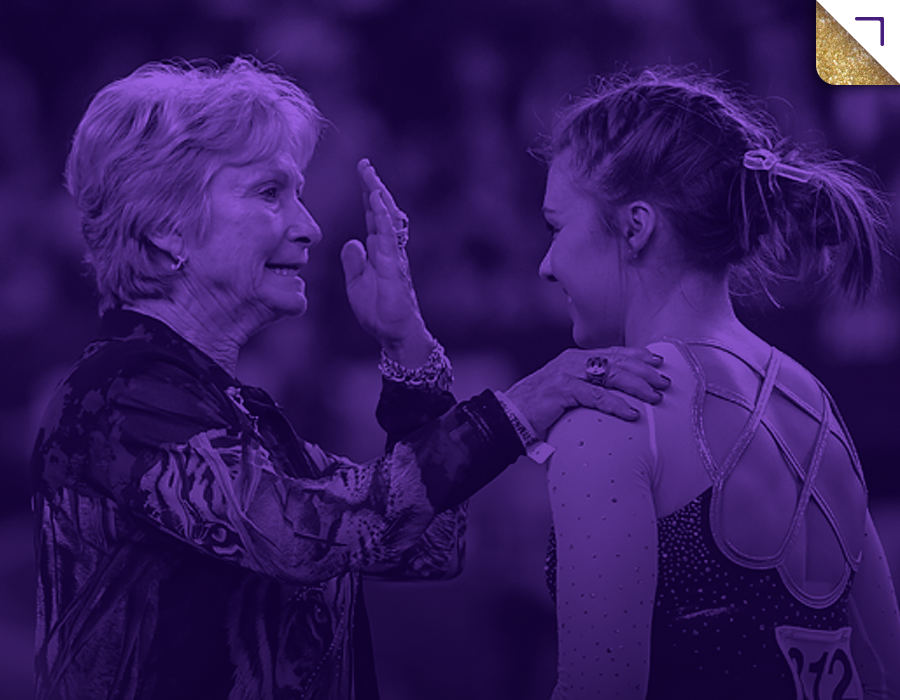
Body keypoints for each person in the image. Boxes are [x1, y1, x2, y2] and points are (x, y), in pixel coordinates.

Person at [30, 56, 670, 700]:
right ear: (168, 231)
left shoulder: (226, 407)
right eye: (269, 192)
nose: (308, 226)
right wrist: (528, 401)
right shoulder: (116, 398)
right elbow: (302, 536)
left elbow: (422, 547)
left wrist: (406, 343)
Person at [535, 67, 900, 699]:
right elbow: (886, 672)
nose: (546, 266)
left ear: (636, 226)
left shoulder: (616, 413)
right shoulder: (815, 406)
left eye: (555, 228)